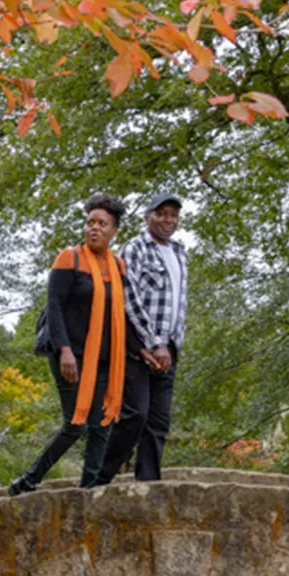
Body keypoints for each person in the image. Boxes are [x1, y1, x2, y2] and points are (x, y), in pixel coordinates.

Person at [9, 194, 134, 496]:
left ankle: (89, 490)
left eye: (102, 224)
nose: (94, 228)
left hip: (105, 358)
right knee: (74, 424)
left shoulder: (119, 267)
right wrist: (64, 349)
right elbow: (54, 307)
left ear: (114, 230)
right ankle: (28, 480)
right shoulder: (70, 258)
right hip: (70, 354)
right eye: (90, 222)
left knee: (101, 423)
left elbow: (122, 314)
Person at [99, 192, 188, 483]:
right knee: (134, 415)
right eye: (161, 213)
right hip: (139, 348)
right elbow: (129, 299)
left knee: (158, 422)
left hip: (169, 350)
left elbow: (179, 303)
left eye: (173, 214)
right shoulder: (134, 248)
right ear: (147, 216)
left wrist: (171, 345)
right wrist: (153, 343)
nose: (168, 219)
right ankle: (99, 478)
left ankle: (148, 483)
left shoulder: (179, 252)